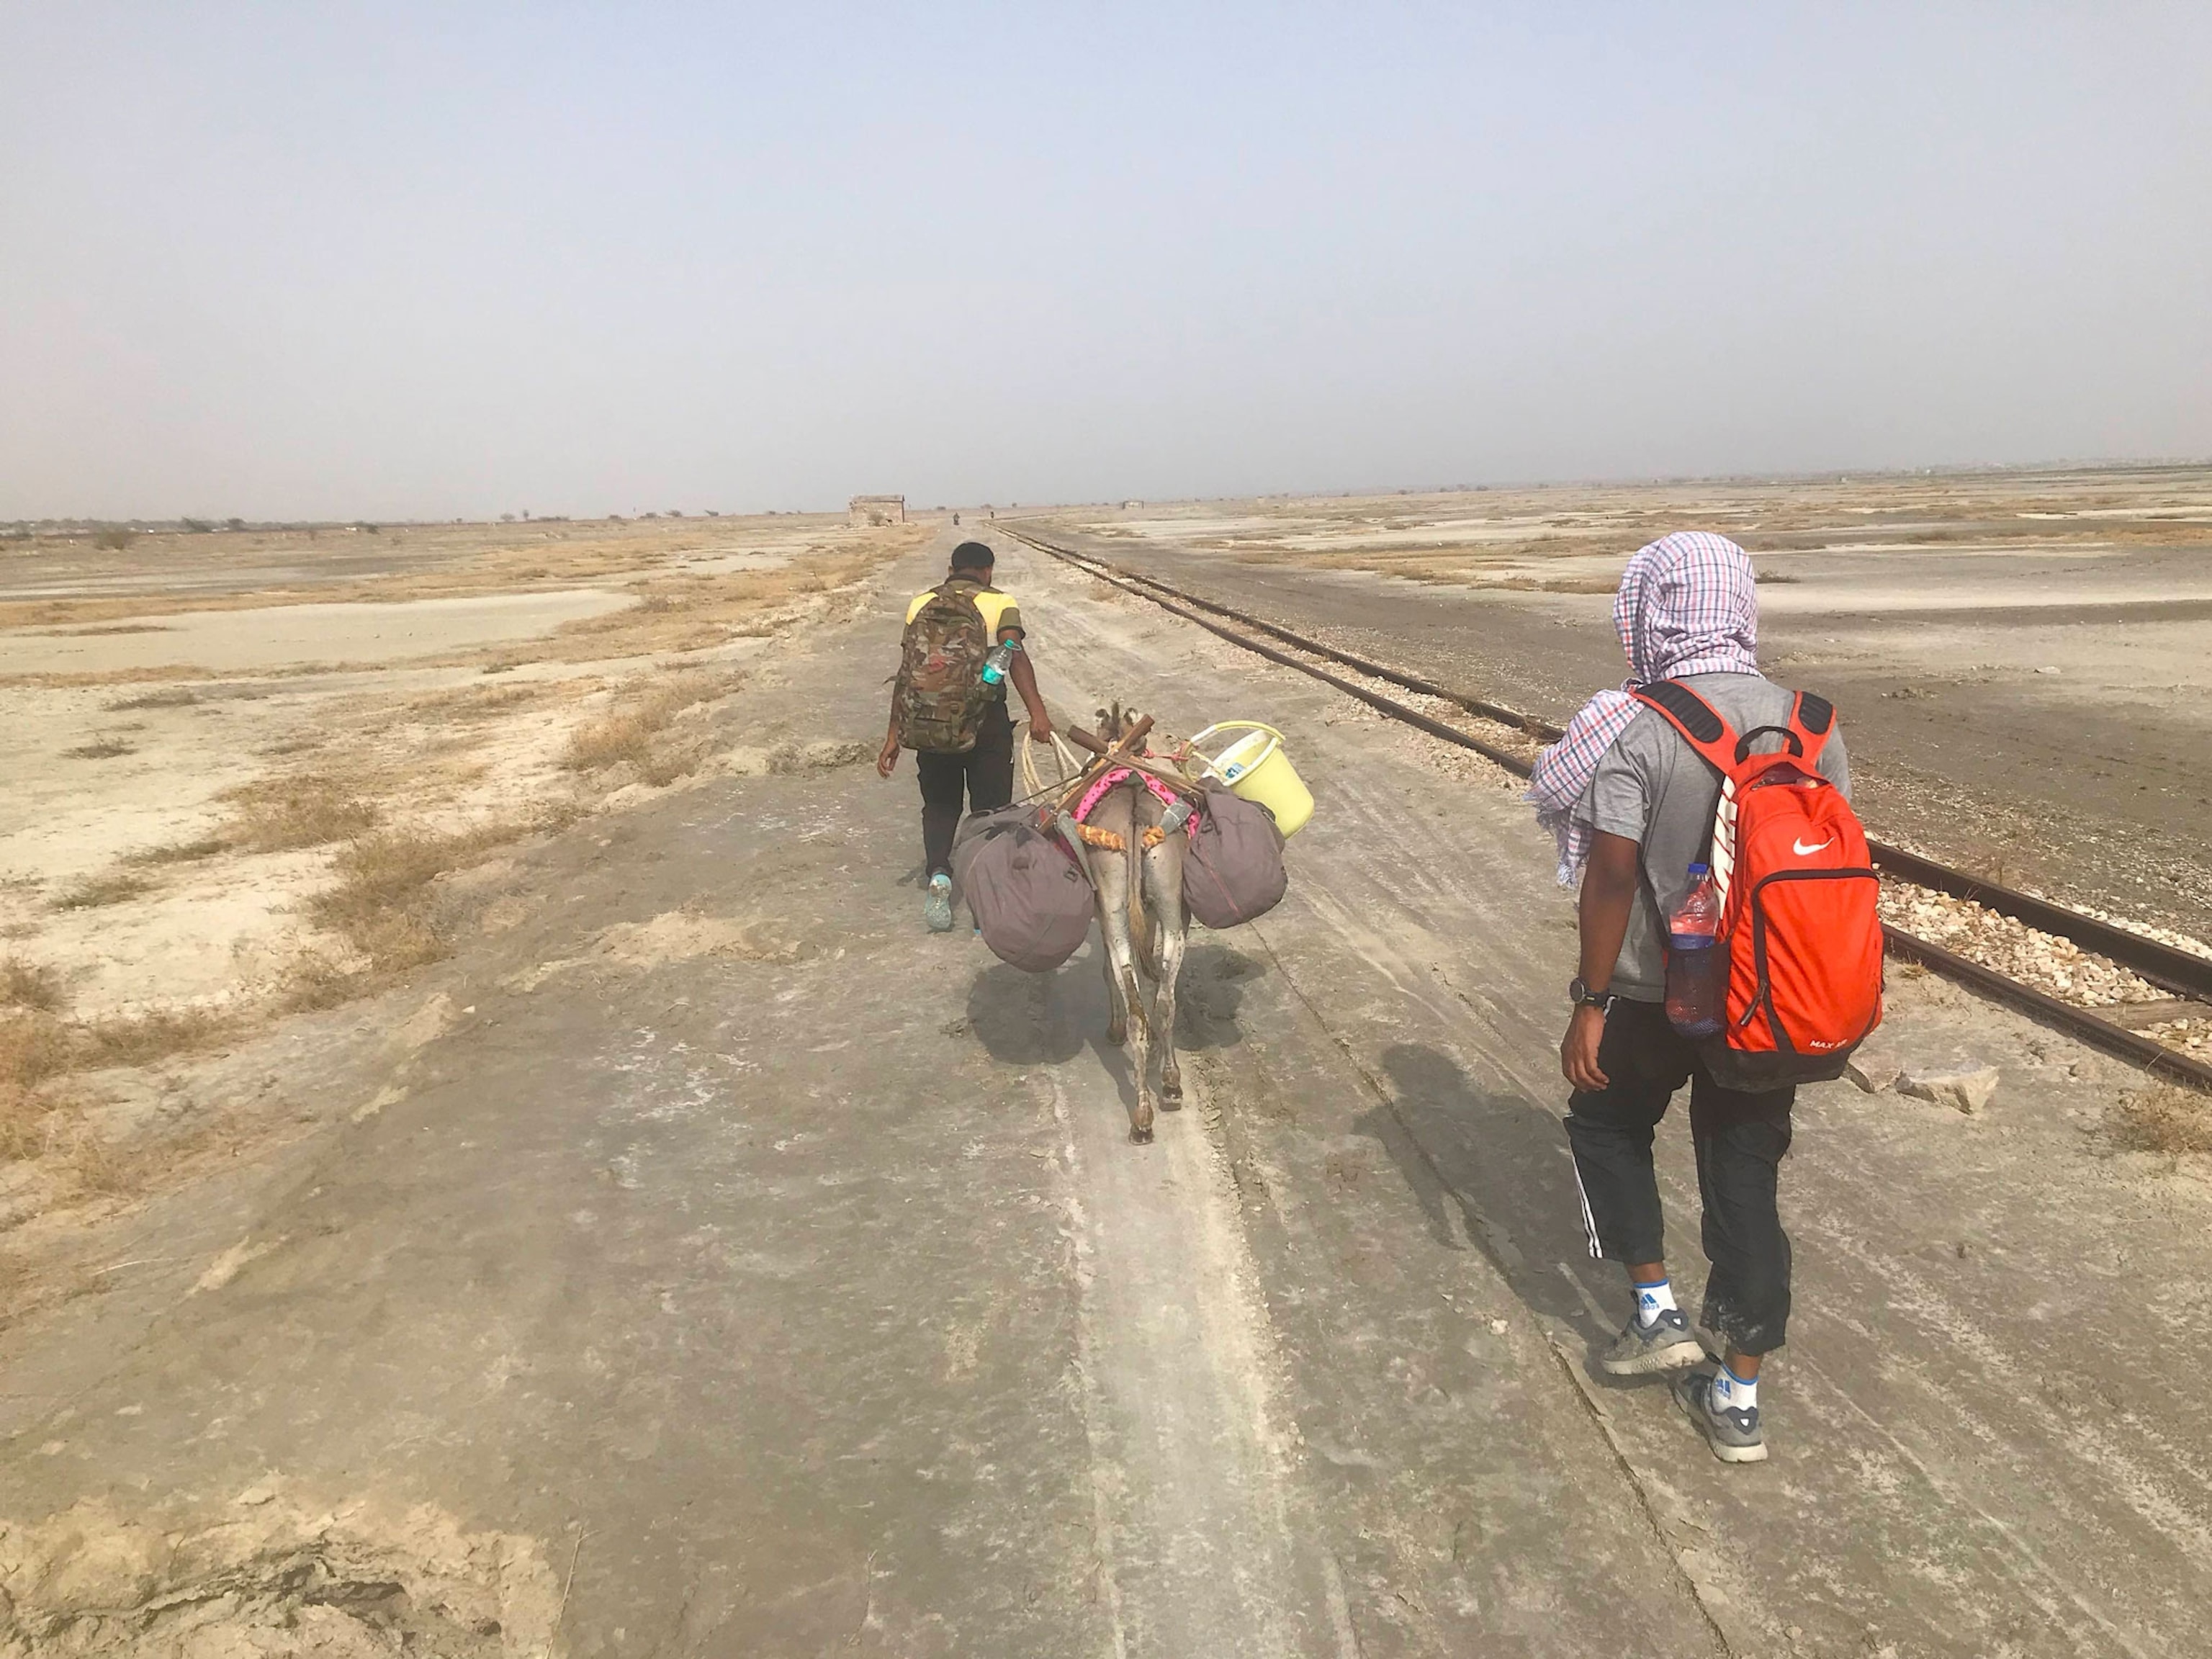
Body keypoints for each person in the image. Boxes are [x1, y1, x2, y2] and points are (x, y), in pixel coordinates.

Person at [1527, 531, 1848, 1465]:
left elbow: (1612, 880)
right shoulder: (1815, 723)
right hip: (1772, 1006)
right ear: (1741, 605)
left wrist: (1588, 1000)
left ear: (1655, 609)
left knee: (1604, 1123)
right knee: (1746, 1175)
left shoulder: (1639, 724)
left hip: (1649, 997)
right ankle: (1739, 1398)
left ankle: (1655, 1311)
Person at [877, 541, 1055, 931]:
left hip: (930, 723)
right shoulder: (1001, 602)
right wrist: (1038, 713)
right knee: (990, 810)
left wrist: (894, 735)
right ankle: (982, 903)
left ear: (951, 568)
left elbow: (908, 671)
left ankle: (940, 874)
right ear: (987, 571)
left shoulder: (920, 603)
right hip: (985, 721)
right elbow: (1014, 650)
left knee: (939, 806)